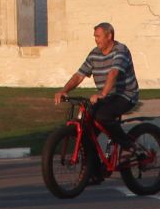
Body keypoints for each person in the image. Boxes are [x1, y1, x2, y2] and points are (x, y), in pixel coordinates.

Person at [54, 22, 140, 159]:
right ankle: (93, 169)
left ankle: (127, 144)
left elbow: (114, 73)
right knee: (87, 124)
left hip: (125, 95)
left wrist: (102, 93)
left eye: (98, 36)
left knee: (103, 115)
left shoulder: (120, 50)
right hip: (107, 96)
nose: (96, 39)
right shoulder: (94, 54)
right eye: (95, 36)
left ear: (109, 36)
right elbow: (79, 75)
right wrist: (64, 90)